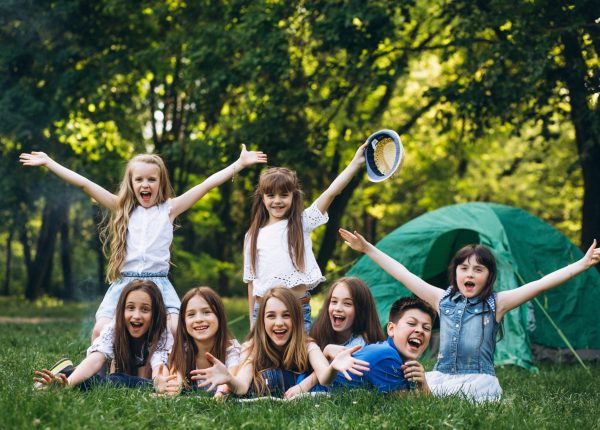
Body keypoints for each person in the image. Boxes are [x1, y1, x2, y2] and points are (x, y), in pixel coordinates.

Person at [20, 146, 267, 339]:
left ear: (160, 183)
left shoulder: (170, 209)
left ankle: (169, 372)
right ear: (131, 184)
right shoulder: (121, 207)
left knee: (173, 329)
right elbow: (85, 183)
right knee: (100, 331)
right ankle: (103, 369)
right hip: (125, 284)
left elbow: (207, 184)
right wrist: (49, 163)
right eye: (139, 180)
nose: (145, 184)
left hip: (158, 284)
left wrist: (240, 163)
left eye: (151, 179)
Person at [339, 228, 600, 401]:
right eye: (464, 268)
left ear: (488, 276)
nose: (470, 274)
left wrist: (582, 264)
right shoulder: (442, 300)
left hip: (477, 381)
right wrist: (367, 248)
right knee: (397, 387)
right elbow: (403, 274)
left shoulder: (497, 303)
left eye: (478, 269)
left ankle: (426, 396)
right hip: (441, 376)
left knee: (424, 397)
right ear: (455, 273)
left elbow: (540, 285)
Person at [244, 141, 368, 331]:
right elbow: (252, 282)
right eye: (271, 195)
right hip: (264, 311)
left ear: (294, 196)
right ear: (262, 197)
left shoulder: (302, 222)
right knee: (265, 360)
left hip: (298, 308)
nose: (277, 201)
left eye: (284, 195)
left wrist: (355, 163)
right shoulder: (253, 235)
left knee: (299, 359)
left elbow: (331, 192)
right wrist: (253, 321)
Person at [190, 287, 370, 398]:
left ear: (297, 320)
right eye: (271, 316)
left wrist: (333, 367)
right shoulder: (254, 349)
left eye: (286, 315)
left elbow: (324, 378)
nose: (279, 322)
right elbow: (242, 386)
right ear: (262, 322)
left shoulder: (307, 345)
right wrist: (229, 379)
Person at [33, 280, 173, 391]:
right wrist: (68, 384)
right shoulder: (114, 328)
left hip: (142, 380)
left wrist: (159, 382)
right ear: (121, 310)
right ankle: (68, 377)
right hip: (123, 379)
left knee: (116, 381)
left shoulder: (161, 333)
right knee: (114, 380)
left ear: (155, 313)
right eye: (130, 308)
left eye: (145, 309)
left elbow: (159, 365)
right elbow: (96, 359)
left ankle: (68, 372)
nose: (136, 316)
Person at [303, 296, 435, 396]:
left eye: (426, 328)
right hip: (309, 392)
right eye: (412, 324)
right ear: (391, 329)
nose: (420, 330)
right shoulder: (387, 356)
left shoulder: (395, 356)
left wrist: (421, 383)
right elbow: (411, 406)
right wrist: (423, 386)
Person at [285, 277, 386, 397]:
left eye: (347, 303)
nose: (338, 308)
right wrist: (326, 353)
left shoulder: (362, 343)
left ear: (361, 310)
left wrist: (304, 385)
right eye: (334, 301)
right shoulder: (319, 332)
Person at [154, 287, 241, 397]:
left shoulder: (231, 351)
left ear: (219, 316)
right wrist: (167, 389)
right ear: (183, 322)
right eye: (191, 314)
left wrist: (219, 396)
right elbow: (176, 386)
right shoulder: (182, 351)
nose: (198, 319)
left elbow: (229, 381)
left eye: (206, 312)